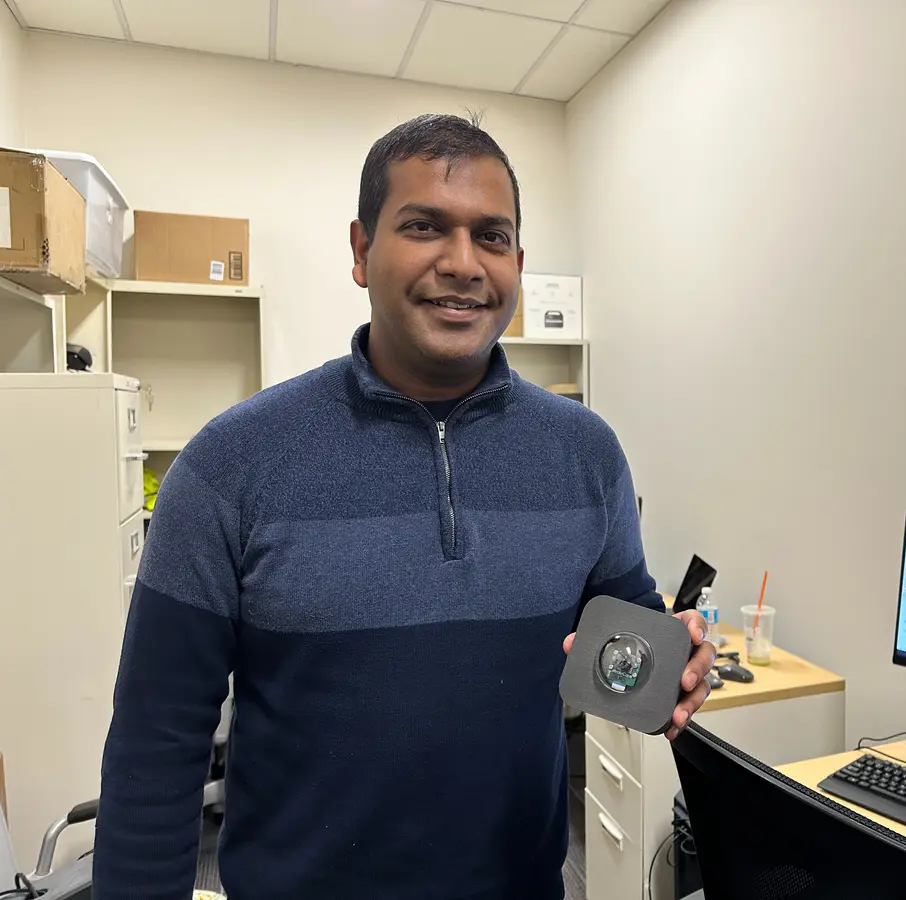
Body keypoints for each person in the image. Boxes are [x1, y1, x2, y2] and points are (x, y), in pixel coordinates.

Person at [93, 113, 716, 900]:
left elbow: (623, 647)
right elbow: (157, 742)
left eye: (491, 237)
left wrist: (676, 668)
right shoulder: (230, 464)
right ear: (361, 250)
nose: (462, 264)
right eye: (425, 227)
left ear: (518, 263)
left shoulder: (587, 455)